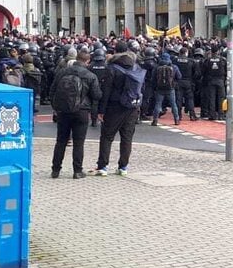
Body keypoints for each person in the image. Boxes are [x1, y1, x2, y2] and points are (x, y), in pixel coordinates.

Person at [93, 41, 144, 176]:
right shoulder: (135, 66)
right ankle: (123, 167)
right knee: (127, 138)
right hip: (132, 106)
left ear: (115, 51)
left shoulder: (112, 67)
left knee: (107, 136)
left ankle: (103, 166)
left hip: (114, 106)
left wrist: (101, 110)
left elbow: (106, 90)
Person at [50, 49, 102, 179]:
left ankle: (55, 170)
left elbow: (52, 91)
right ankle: (77, 171)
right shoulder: (90, 75)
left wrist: (56, 107)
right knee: (79, 142)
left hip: (63, 110)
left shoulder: (62, 72)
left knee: (61, 141)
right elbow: (96, 95)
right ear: (87, 61)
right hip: (81, 111)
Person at [151, 51, 182, 126]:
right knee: (173, 104)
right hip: (170, 89)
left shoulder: (157, 67)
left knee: (158, 104)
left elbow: (153, 78)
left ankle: (155, 120)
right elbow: (179, 77)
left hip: (160, 89)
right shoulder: (174, 67)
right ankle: (176, 119)